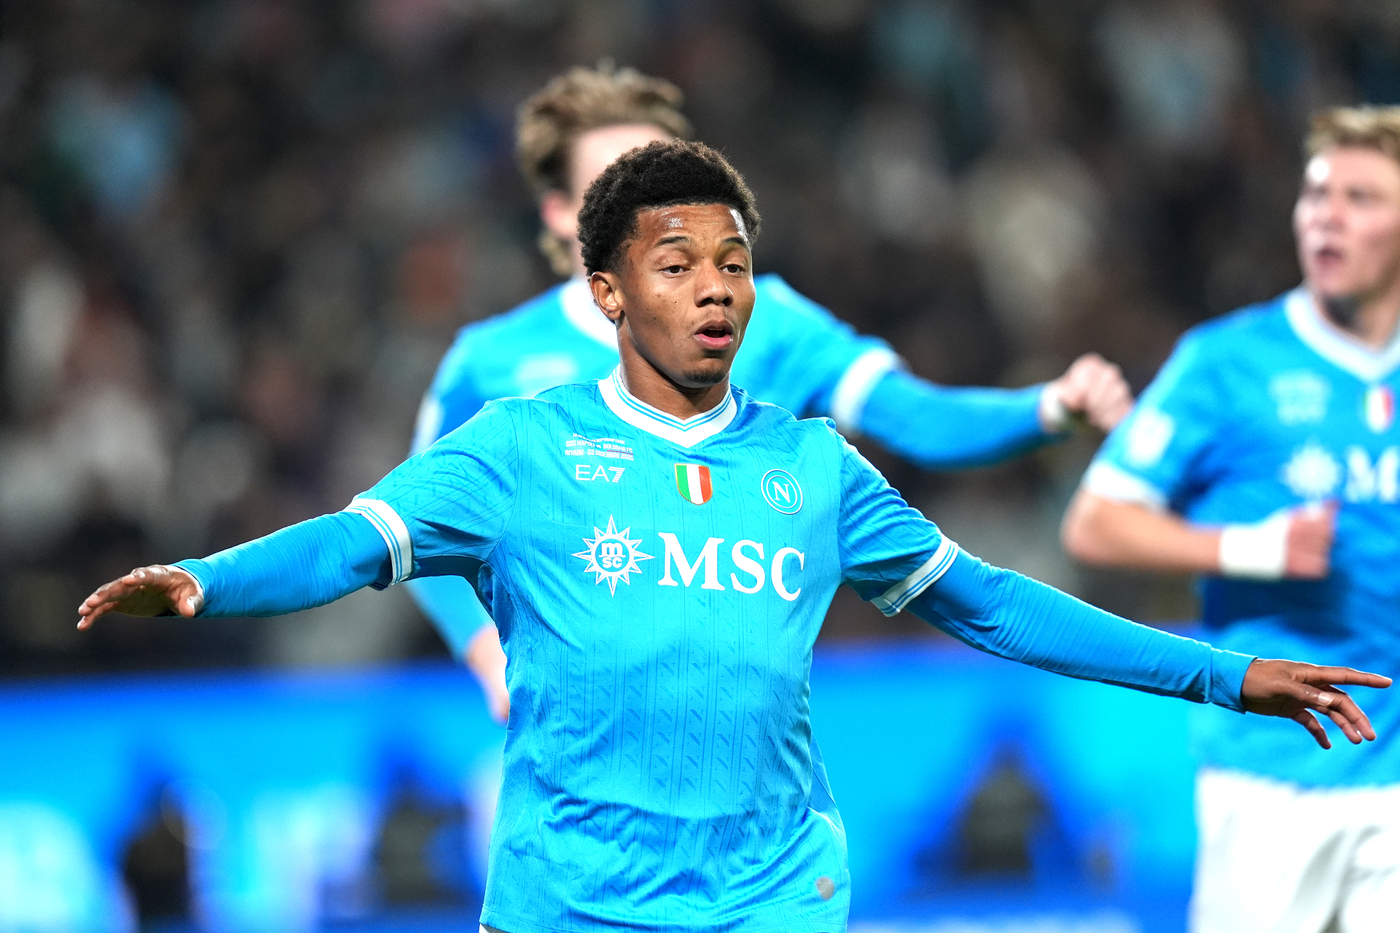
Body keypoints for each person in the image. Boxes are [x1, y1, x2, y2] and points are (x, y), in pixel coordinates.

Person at [82, 140, 1387, 933]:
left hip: (771, 894)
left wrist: (1223, 673)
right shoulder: (518, 448)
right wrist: (204, 579)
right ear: (607, 293)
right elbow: (353, 542)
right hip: (568, 899)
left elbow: (993, 604)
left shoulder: (812, 465)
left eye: (733, 262)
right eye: (676, 265)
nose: (715, 290)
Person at [411, 63, 1134, 720]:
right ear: (559, 213)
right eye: (613, 183)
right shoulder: (490, 362)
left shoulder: (772, 320)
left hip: (747, 721)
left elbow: (915, 417)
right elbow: (415, 525)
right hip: (578, 733)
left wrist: (1046, 409)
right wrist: (486, 653)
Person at [1061, 106, 1400, 932]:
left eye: (1360, 197)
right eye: (1316, 194)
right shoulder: (1225, 362)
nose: (1327, 215)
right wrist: (1254, 548)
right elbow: (1095, 522)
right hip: (1271, 771)